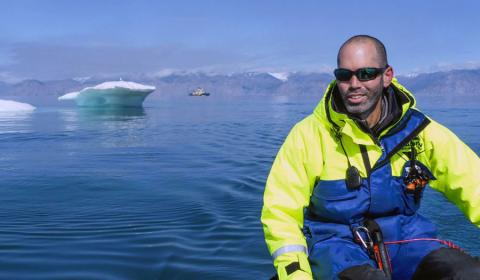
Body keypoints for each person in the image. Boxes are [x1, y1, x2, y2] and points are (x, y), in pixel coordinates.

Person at [261, 35, 480, 280]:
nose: (354, 83)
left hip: (408, 239)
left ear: (387, 76)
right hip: (335, 246)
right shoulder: (308, 136)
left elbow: (474, 184)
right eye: (344, 75)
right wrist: (295, 274)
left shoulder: (420, 133)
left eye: (366, 73)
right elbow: (281, 213)